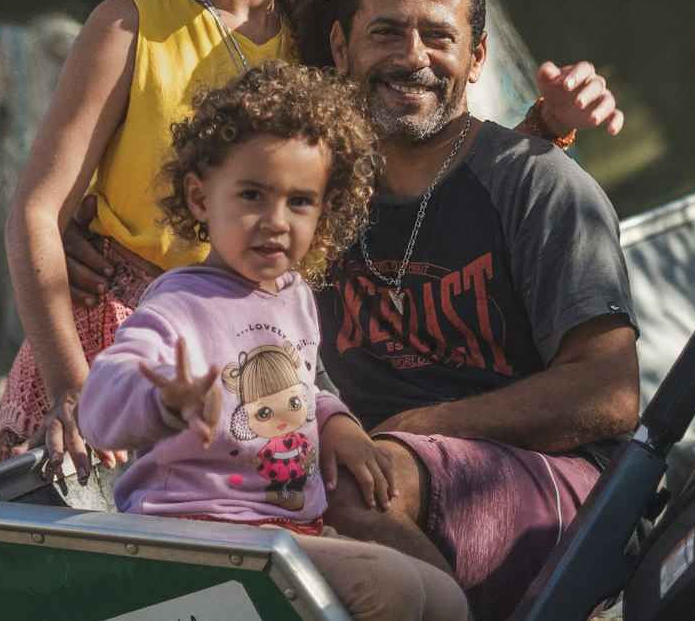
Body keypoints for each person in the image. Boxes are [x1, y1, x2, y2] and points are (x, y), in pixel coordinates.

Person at [3, 0, 623, 478]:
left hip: (263, 365)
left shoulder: (337, 42)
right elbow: (35, 212)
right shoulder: (130, 25)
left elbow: (428, 174)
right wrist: (73, 389)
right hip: (122, 362)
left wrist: (545, 128)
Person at [314, 0, 640, 621]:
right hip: (375, 476)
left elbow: (609, 393)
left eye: (438, 36)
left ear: (476, 57)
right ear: (341, 48)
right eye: (387, 32)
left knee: (356, 486)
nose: (413, 57)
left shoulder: (536, 184)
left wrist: (418, 428)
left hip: (556, 487)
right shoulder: (313, 196)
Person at [77, 61, 470, 621]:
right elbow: (101, 402)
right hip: (196, 537)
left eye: (300, 201)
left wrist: (335, 422)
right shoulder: (177, 306)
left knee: (447, 600)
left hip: (284, 530)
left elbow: (298, 385)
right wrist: (164, 400)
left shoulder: (293, 294)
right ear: (198, 198)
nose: (275, 221)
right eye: (252, 195)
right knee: (391, 590)